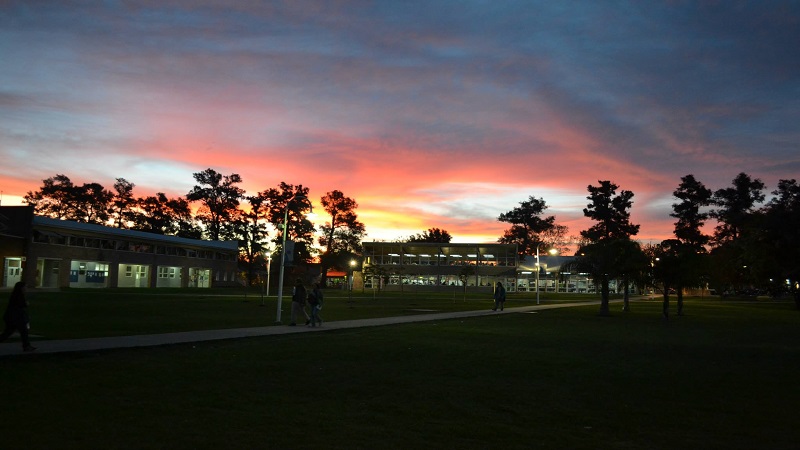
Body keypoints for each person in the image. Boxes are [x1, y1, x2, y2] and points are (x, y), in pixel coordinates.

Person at [0, 281, 36, 352]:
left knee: (8, 333)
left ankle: (26, 346)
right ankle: (26, 346)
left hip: (13, 317)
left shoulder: (16, 294)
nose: (26, 288)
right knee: (23, 331)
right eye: (25, 287)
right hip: (16, 318)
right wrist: (26, 303)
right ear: (21, 288)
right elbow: (20, 305)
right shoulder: (18, 295)